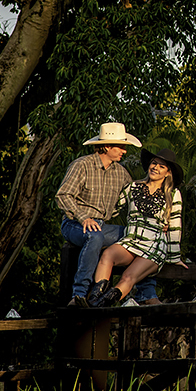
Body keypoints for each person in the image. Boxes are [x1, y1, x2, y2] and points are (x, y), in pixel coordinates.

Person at [56, 122, 159, 306]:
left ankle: (147, 293)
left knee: (143, 237)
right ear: (106, 146)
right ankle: (79, 295)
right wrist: (83, 217)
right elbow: (63, 195)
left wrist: (158, 222)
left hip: (102, 225)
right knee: (94, 236)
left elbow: (136, 198)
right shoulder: (82, 165)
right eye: (120, 146)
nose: (124, 151)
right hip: (74, 224)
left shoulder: (121, 173)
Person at [87, 146, 187, 307]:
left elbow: (175, 226)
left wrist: (174, 257)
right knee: (108, 255)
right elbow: (112, 210)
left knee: (128, 277)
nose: (155, 168)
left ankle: (103, 306)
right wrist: (88, 216)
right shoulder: (132, 187)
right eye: (154, 163)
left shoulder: (173, 194)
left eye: (162, 166)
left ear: (168, 172)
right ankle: (94, 300)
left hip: (154, 245)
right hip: (131, 240)